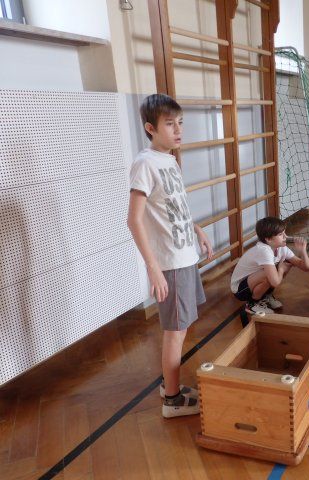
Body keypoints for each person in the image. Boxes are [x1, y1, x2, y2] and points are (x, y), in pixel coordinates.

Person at [127, 94, 214, 418]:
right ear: (150, 128)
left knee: (182, 327)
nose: (178, 130)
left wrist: (197, 229)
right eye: (169, 124)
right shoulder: (145, 163)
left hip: (185, 255)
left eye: (180, 123)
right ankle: (173, 400)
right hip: (170, 263)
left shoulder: (171, 160)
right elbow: (134, 220)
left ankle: (170, 386)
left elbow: (174, 208)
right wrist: (153, 269)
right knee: (175, 333)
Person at [230, 217, 309, 314]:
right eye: (280, 234)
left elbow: (306, 267)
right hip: (240, 290)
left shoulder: (281, 248)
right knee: (271, 272)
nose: (285, 236)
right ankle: (252, 304)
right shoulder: (264, 251)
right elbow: (275, 282)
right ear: (268, 239)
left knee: (278, 268)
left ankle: (265, 295)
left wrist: (303, 251)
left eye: (284, 232)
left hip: (252, 282)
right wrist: (281, 270)